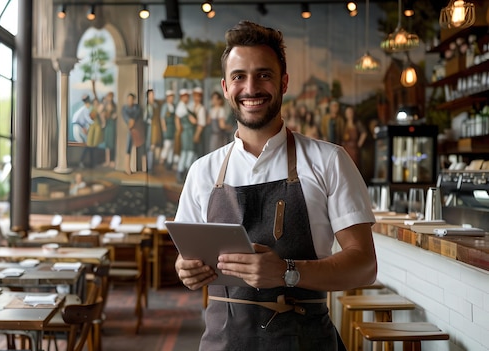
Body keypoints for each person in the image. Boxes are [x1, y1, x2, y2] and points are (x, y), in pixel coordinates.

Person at [174, 21, 377, 350]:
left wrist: (287, 272)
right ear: (226, 87)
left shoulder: (329, 161)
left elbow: (364, 266)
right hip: (223, 342)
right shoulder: (202, 171)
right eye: (239, 76)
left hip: (305, 341)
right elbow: (186, 261)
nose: (251, 88)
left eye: (264, 75)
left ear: (283, 82)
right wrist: (187, 271)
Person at [121, 93, 146, 175]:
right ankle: (127, 168)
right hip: (130, 130)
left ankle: (145, 169)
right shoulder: (124, 108)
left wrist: (132, 122)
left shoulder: (137, 108)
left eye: (131, 99)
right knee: (128, 148)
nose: (129, 101)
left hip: (138, 129)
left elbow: (135, 117)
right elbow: (127, 118)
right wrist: (130, 122)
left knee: (142, 147)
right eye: (128, 99)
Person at [159, 90, 177, 170]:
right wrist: (164, 127)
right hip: (167, 127)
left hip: (173, 127)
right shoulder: (165, 106)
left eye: (172, 97)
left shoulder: (174, 106)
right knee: (167, 144)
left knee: (172, 146)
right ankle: (162, 160)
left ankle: (169, 163)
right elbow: (162, 118)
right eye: (170, 97)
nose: (171, 98)